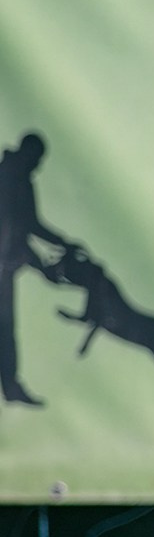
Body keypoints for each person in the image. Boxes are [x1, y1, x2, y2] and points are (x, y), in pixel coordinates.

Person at [0, 131, 74, 407]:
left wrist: (62, 243)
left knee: (5, 328)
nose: (38, 165)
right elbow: (17, 228)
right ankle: (11, 386)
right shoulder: (7, 177)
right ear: (26, 153)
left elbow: (29, 224)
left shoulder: (21, 180)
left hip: (6, 268)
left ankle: (11, 386)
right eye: (36, 158)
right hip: (4, 265)